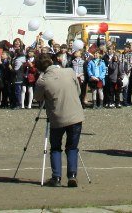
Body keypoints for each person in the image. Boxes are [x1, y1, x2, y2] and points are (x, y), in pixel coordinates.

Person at [34, 53, 84, 188]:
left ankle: (56, 177)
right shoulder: (69, 71)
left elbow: (38, 98)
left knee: (56, 148)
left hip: (57, 117)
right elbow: (78, 91)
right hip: (75, 115)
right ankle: (72, 175)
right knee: (72, 147)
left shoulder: (43, 80)